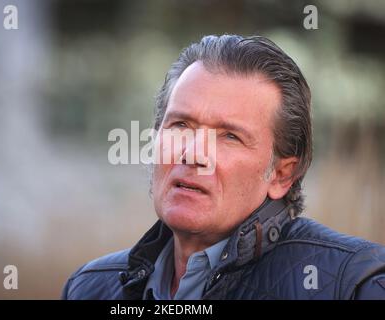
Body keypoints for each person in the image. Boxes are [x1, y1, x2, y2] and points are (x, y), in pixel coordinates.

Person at [62, 35, 385, 300]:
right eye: (180, 125)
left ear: (282, 174)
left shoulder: (352, 284)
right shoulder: (90, 288)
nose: (192, 154)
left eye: (229, 136)